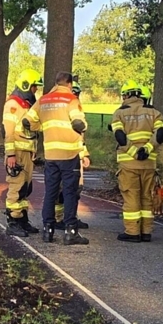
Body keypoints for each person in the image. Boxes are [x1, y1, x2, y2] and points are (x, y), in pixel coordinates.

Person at [24, 72, 88, 245]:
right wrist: (82, 129)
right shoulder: (71, 100)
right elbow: (78, 123)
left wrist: (41, 126)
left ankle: (48, 231)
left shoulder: (43, 100)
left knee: (50, 193)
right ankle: (70, 232)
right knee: (69, 193)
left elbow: (27, 122)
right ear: (69, 84)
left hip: (51, 155)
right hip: (69, 154)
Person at [110, 80, 163, 242]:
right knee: (146, 197)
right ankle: (146, 231)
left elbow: (119, 136)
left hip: (129, 163)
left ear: (127, 95)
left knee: (131, 197)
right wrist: (148, 149)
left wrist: (134, 152)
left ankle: (132, 232)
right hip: (149, 164)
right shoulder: (153, 112)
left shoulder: (119, 113)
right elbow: (162, 132)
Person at [3, 70, 43, 236]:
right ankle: (12, 222)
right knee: (16, 186)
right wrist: (11, 154)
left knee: (26, 188)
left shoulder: (26, 105)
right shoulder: (13, 104)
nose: (35, 90)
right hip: (18, 153)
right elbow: (9, 132)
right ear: (26, 85)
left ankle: (22, 220)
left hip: (27, 152)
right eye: (34, 87)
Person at [56, 78, 90, 230]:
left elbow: (81, 137)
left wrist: (85, 154)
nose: (76, 96)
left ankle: (72, 217)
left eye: (77, 93)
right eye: (74, 93)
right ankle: (59, 218)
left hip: (77, 155)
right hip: (64, 156)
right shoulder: (62, 111)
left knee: (76, 189)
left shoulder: (78, 110)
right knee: (62, 190)